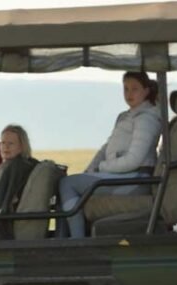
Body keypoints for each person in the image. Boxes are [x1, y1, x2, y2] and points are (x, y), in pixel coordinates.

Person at [58, 71, 162, 238]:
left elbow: (134, 160)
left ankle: (77, 242)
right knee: (65, 185)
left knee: (67, 184)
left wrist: (102, 167)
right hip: (120, 175)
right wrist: (90, 169)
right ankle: (63, 239)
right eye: (126, 89)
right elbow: (106, 148)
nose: (129, 94)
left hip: (135, 179)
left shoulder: (147, 119)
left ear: (146, 91)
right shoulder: (125, 116)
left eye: (135, 89)